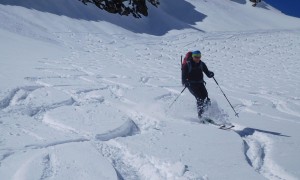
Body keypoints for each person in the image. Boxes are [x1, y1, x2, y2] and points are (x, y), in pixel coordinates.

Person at [182, 50, 214, 120]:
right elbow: (183, 77)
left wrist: (211, 74)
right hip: (191, 84)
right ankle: (201, 116)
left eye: (199, 57)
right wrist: (185, 82)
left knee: (205, 97)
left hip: (200, 83)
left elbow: (207, 73)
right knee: (199, 98)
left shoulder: (202, 64)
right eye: (195, 57)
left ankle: (208, 113)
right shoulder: (187, 64)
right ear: (192, 57)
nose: (197, 58)